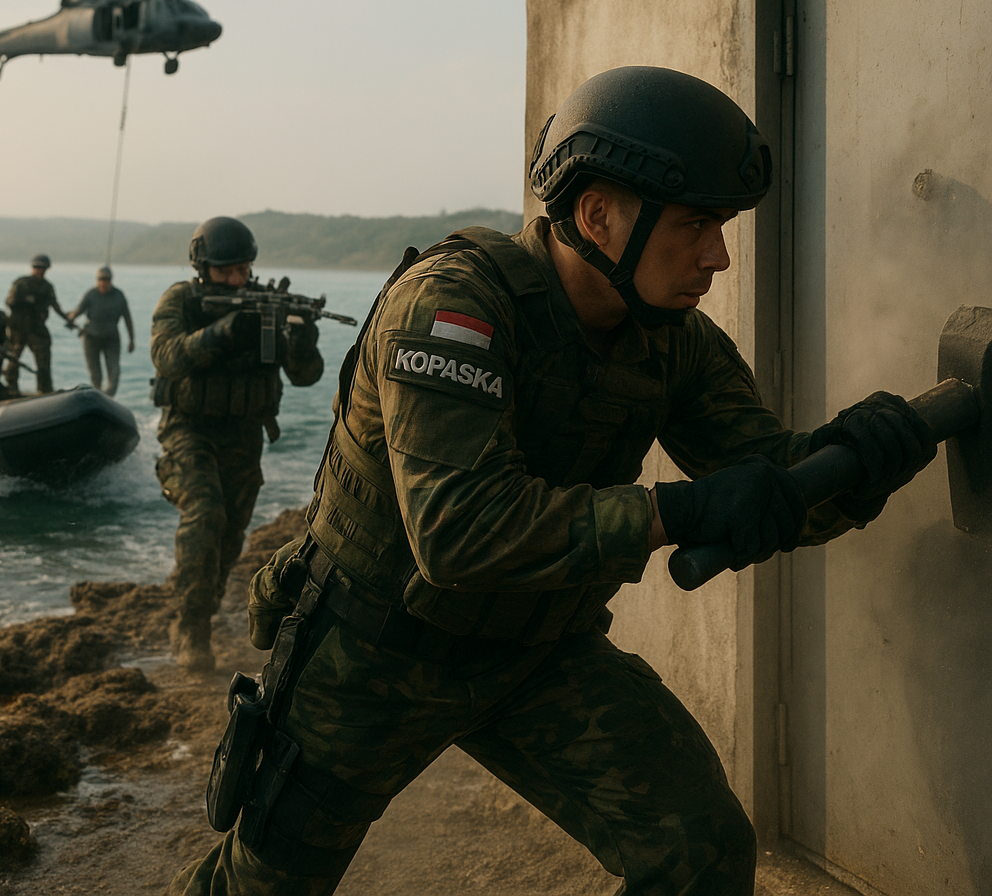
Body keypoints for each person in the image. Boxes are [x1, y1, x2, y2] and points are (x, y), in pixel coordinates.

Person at [166, 67, 936, 896]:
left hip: (536, 652)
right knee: (260, 888)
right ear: (598, 216)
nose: (718, 256)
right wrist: (679, 512)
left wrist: (860, 460)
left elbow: (767, 485)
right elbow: (460, 533)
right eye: (696, 224)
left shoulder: (672, 339)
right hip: (377, 649)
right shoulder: (454, 305)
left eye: (722, 227)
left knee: (699, 849)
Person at [151, 217, 324, 672]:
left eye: (243, 270)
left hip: (245, 433)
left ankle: (204, 608)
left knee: (230, 533)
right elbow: (166, 356)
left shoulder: (267, 305)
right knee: (205, 513)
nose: (236, 279)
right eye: (226, 271)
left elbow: (306, 376)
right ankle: (191, 627)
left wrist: (302, 340)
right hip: (189, 428)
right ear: (202, 267)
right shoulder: (181, 300)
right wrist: (224, 332)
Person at [4, 253, 68, 395]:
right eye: (37, 267)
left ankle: (44, 389)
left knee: (43, 360)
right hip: (19, 328)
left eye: (42, 268)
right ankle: (11, 388)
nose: (39, 271)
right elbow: (10, 301)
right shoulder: (21, 284)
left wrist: (66, 317)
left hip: (36, 327)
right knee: (13, 359)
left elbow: (54, 304)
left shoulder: (47, 287)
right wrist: (27, 302)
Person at [67, 265, 135, 397]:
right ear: (97, 281)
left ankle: (108, 397)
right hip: (91, 338)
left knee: (114, 372)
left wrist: (131, 339)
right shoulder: (91, 294)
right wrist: (71, 317)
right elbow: (79, 310)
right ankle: (98, 397)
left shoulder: (119, 295)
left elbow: (127, 318)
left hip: (111, 339)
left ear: (111, 281)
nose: (104, 283)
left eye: (106, 280)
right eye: (101, 280)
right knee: (95, 374)